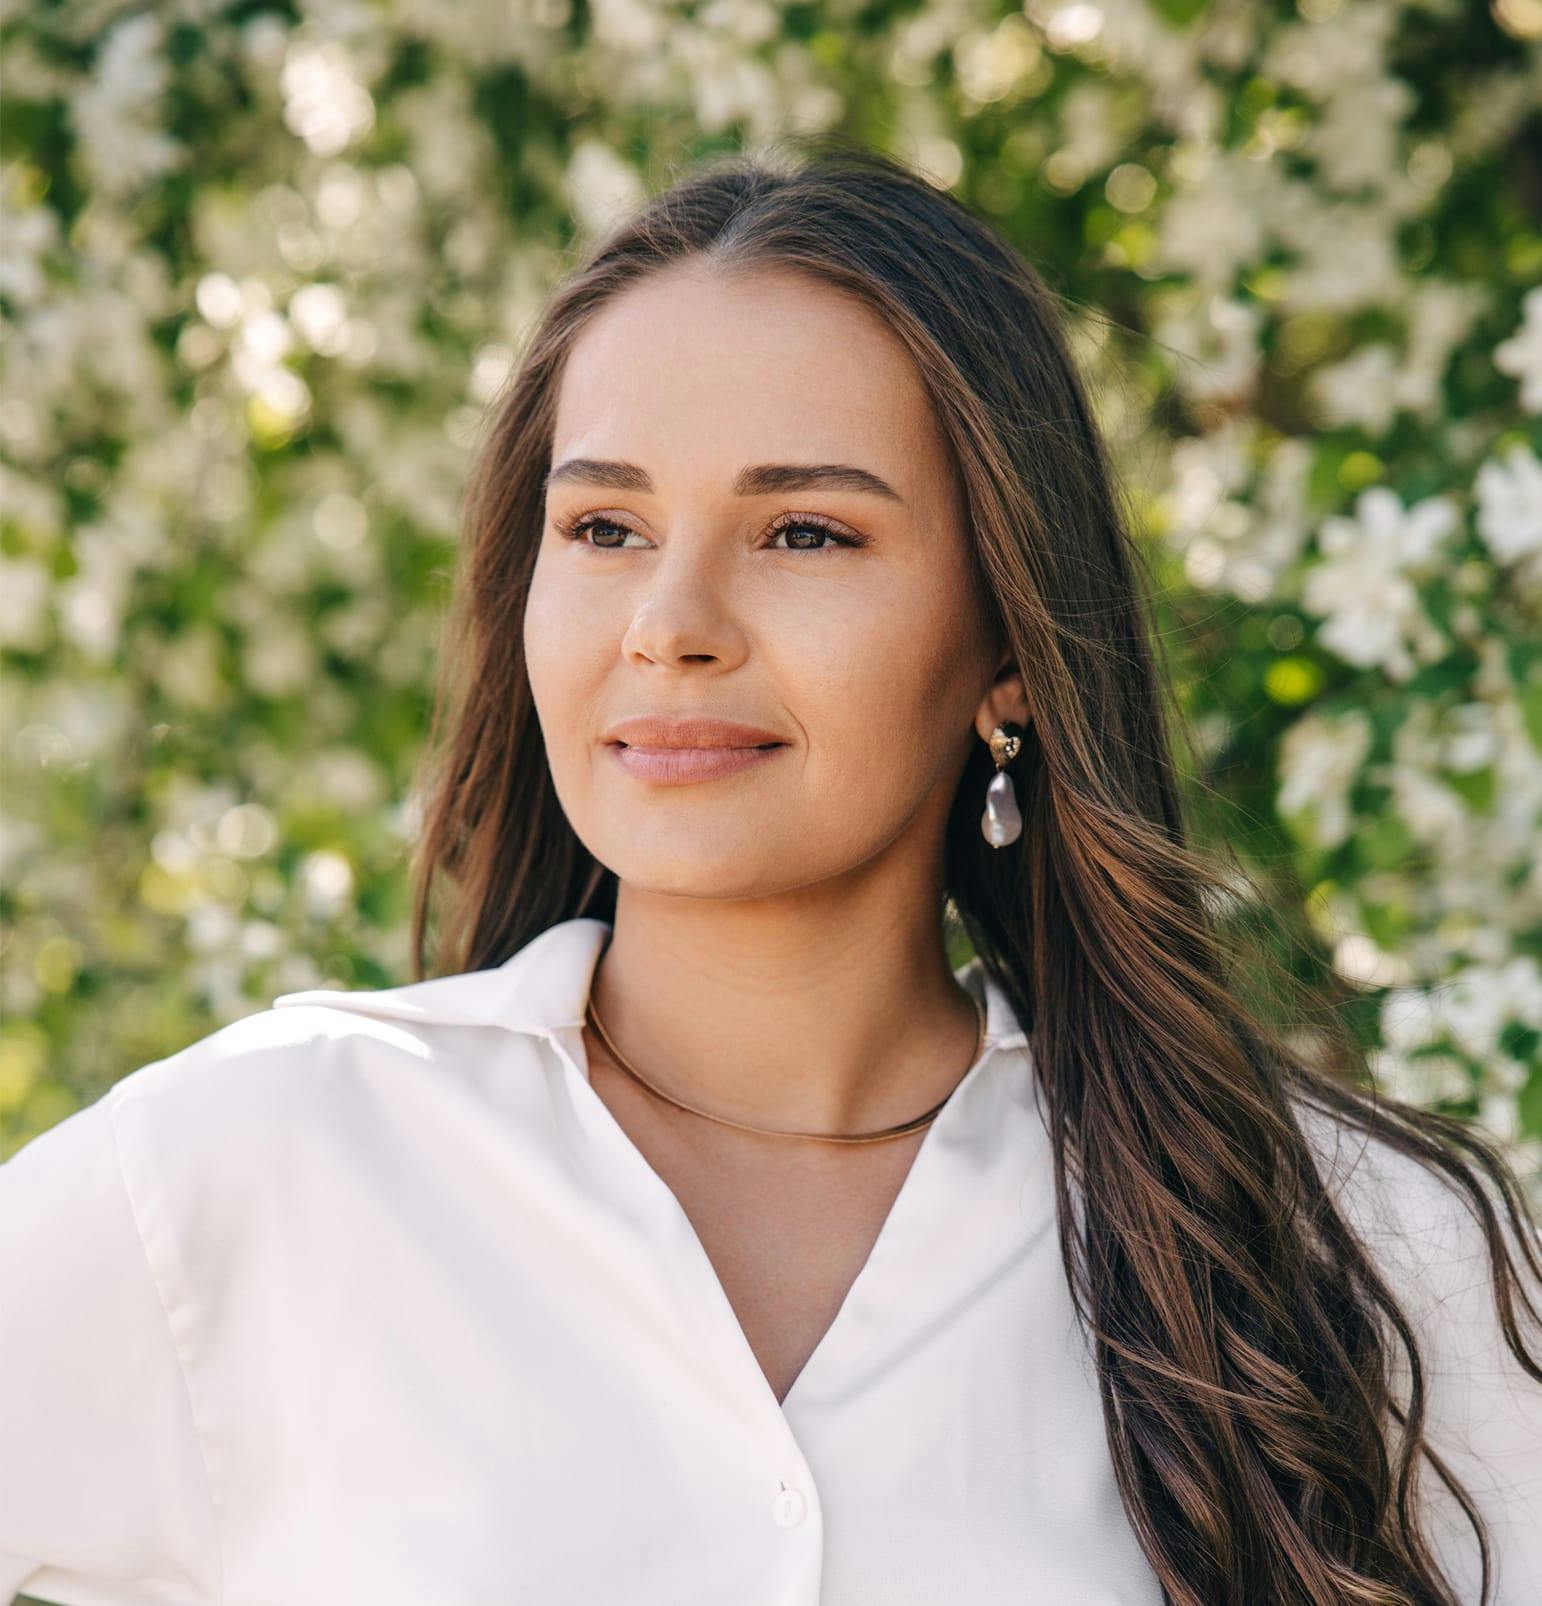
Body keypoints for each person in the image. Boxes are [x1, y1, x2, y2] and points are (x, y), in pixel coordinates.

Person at [2, 140, 1540, 1606]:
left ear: (1008, 643)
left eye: (802, 532)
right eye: (602, 524)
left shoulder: (1347, 1244)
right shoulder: (258, 1163)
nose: (669, 620)